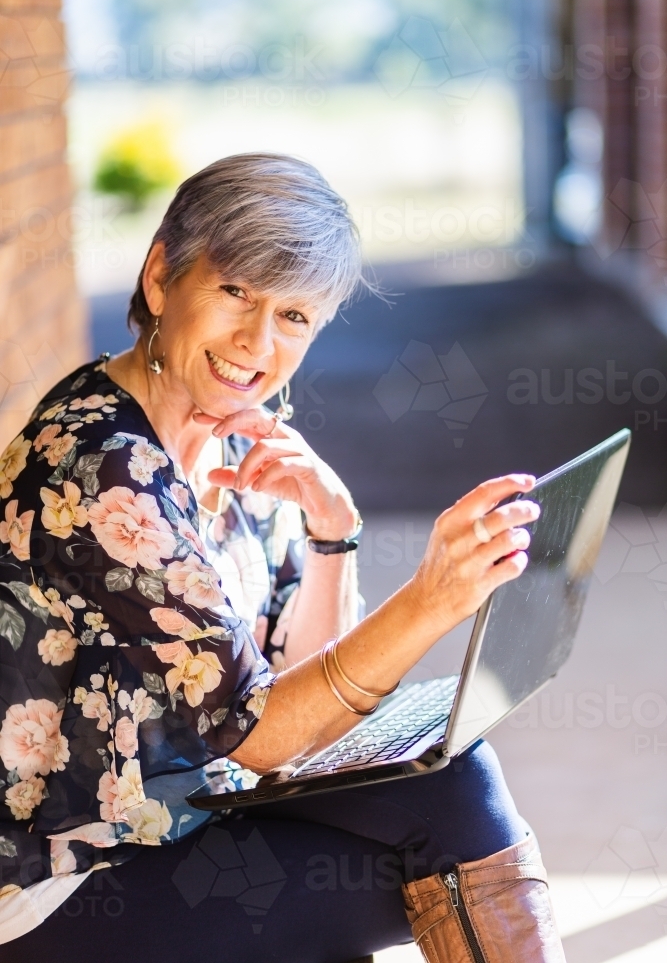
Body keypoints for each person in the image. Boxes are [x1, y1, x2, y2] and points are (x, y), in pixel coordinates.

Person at [0, 153, 565, 962]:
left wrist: (333, 535)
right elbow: (262, 737)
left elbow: (308, 720)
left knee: (448, 786)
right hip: (64, 880)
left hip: (188, 818)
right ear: (162, 277)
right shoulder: (102, 467)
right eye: (236, 293)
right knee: (435, 852)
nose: (257, 344)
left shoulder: (235, 438)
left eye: (294, 316)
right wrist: (430, 600)